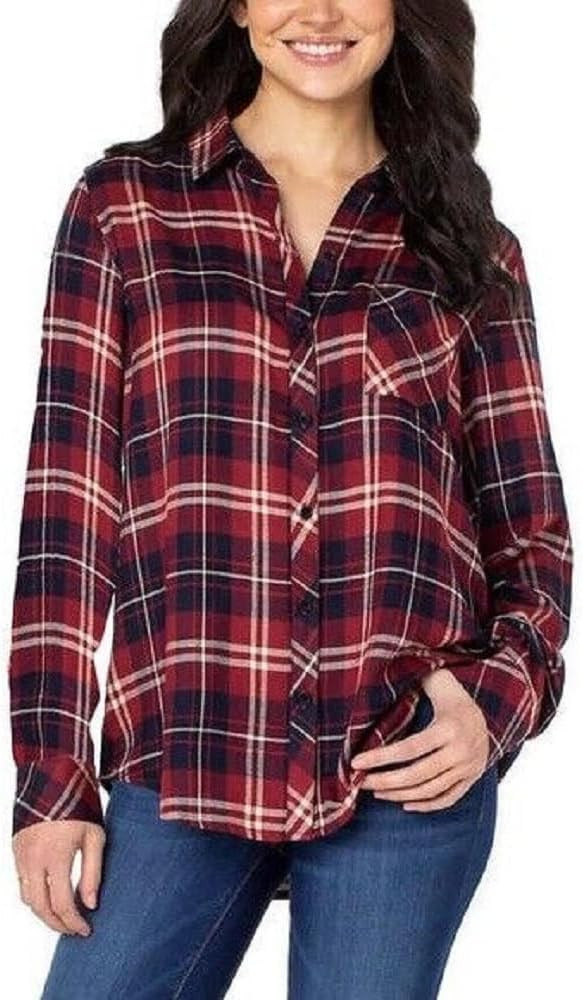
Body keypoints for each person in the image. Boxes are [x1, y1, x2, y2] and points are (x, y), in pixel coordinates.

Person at [8, 2, 573, 998]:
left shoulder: (469, 247)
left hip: (400, 762)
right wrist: (51, 775)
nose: (318, 11)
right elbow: (66, 508)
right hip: (184, 752)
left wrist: (494, 701)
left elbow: (530, 532)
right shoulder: (126, 208)